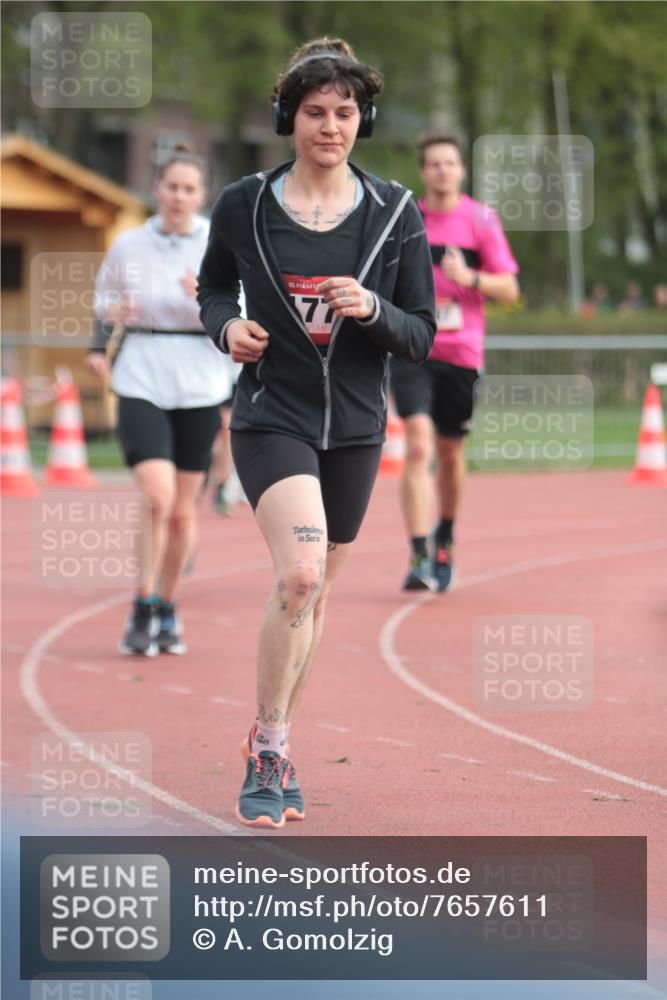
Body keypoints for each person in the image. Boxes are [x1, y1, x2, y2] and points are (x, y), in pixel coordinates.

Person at [198, 37, 435, 828]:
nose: (329, 126)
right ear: (287, 119)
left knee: (317, 592)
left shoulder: (395, 212)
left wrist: (373, 308)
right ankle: (267, 752)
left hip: (356, 427)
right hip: (273, 415)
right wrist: (226, 328)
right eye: (313, 112)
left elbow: (420, 332)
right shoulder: (244, 203)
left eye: (344, 112)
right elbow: (212, 288)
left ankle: (278, 738)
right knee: (299, 575)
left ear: (362, 121)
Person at [86, 144, 234, 657]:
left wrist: (208, 297)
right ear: (156, 190)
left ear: (202, 195)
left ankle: (168, 606)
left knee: (182, 514)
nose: (179, 196)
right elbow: (103, 301)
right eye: (171, 186)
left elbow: (244, 310)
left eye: (189, 189)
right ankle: (142, 601)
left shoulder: (219, 243)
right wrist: (102, 340)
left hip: (200, 378)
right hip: (141, 373)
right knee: (157, 498)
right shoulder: (129, 244)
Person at [390, 134, 519, 593]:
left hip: (462, 354)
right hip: (413, 350)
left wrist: (470, 277)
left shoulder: (480, 220)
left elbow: (510, 289)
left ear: (461, 170)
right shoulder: (407, 218)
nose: (442, 171)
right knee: (417, 445)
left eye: (450, 163)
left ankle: (444, 533)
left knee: (449, 453)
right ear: (423, 171)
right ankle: (418, 554)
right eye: (434, 164)